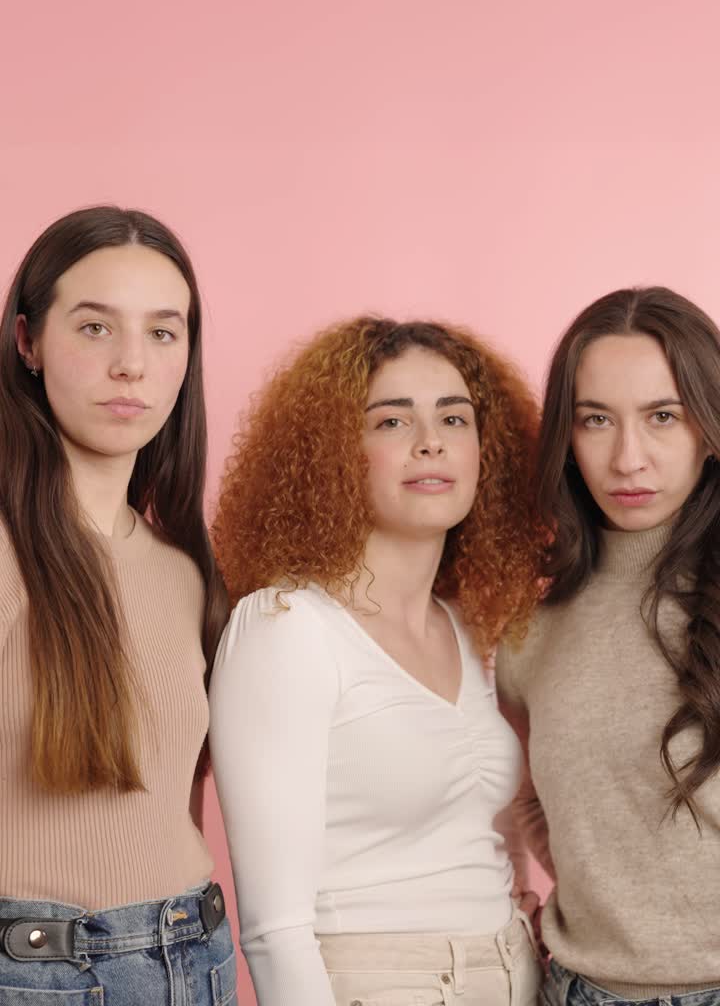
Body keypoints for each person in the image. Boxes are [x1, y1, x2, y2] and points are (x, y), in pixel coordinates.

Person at [210, 316, 545, 1006]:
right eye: (392, 422)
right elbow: (275, 930)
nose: (430, 441)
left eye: (454, 418)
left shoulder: (467, 626)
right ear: (334, 455)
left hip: (515, 975)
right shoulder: (287, 626)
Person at [0, 206, 233, 1004]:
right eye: (95, 328)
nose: (132, 365)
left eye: (163, 333)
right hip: (38, 975)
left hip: (196, 958)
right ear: (28, 341)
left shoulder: (185, 572)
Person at [497, 285, 720, 1004]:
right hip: (578, 988)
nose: (628, 459)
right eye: (596, 420)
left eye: (663, 416)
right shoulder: (532, 624)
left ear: (709, 427)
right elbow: (535, 798)